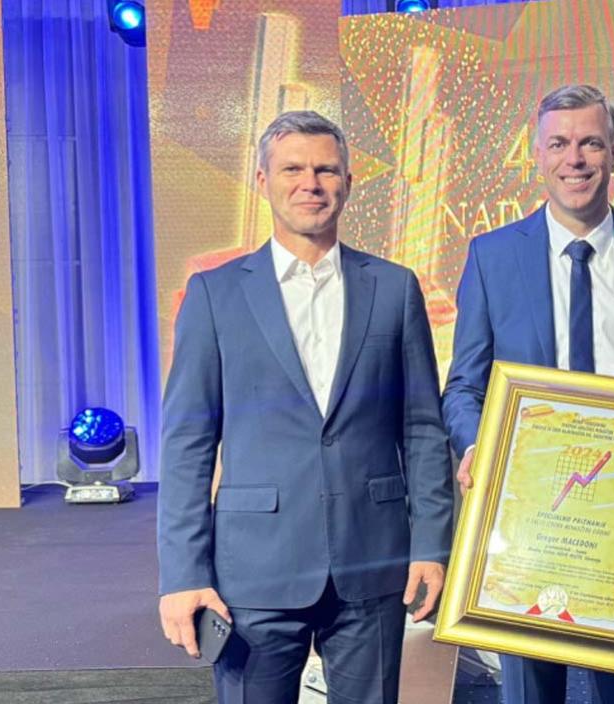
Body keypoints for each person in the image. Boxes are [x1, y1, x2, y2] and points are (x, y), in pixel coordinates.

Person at [157, 111, 454, 704]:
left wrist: (431, 544)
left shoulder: (395, 288)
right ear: (262, 181)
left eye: (326, 170)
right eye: (293, 169)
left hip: (373, 561)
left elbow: (422, 429)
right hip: (253, 572)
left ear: (348, 182)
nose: (310, 184)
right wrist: (183, 573)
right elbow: (187, 444)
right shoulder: (215, 294)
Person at [442, 84, 614, 704]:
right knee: (530, 692)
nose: (576, 159)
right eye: (559, 144)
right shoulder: (491, 257)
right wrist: (480, 444)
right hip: (528, 518)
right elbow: (463, 385)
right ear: (537, 154)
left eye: (591, 143)